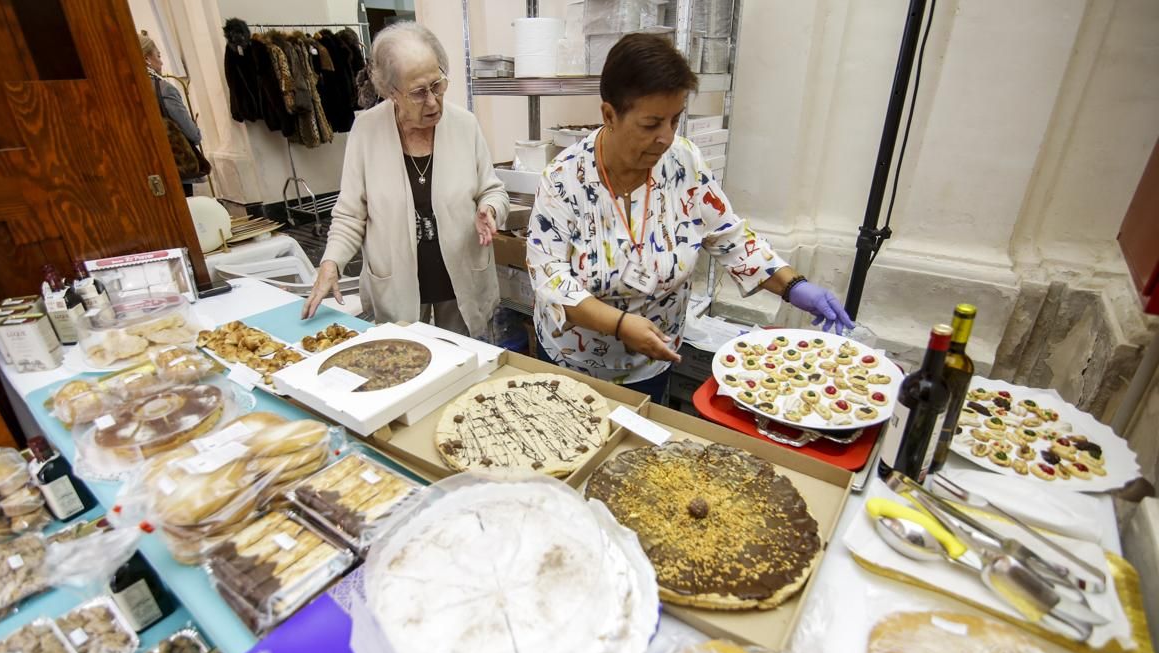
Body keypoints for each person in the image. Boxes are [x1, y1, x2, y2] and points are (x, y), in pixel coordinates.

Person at [527, 33, 852, 401]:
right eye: (651, 124)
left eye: (675, 120)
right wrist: (620, 325)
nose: (666, 137)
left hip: (653, 360)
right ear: (609, 115)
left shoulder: (684, 162)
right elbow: (551, 279)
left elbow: (729, 237)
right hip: (574, 363)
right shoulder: (564, 179)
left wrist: (793, 285)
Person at [302, 23, 507, 336]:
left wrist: (489, 209)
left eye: (437, 85)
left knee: (465, 357)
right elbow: (350, 215)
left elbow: (492, 190)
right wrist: (331, 263)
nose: (433, 101)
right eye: (419, 93)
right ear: (391, 92)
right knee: (403, 357)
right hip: (396, 286)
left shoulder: (465, 125)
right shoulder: (367, 132)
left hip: (461, 281)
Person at [139, 31, 204, 197]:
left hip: (143, 170)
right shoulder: (164, 89)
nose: (161, 62)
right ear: (147, 59)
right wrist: (195, 130)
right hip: (174, 167)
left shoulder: (123, 90)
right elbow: (192, 134)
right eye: (158, 56)